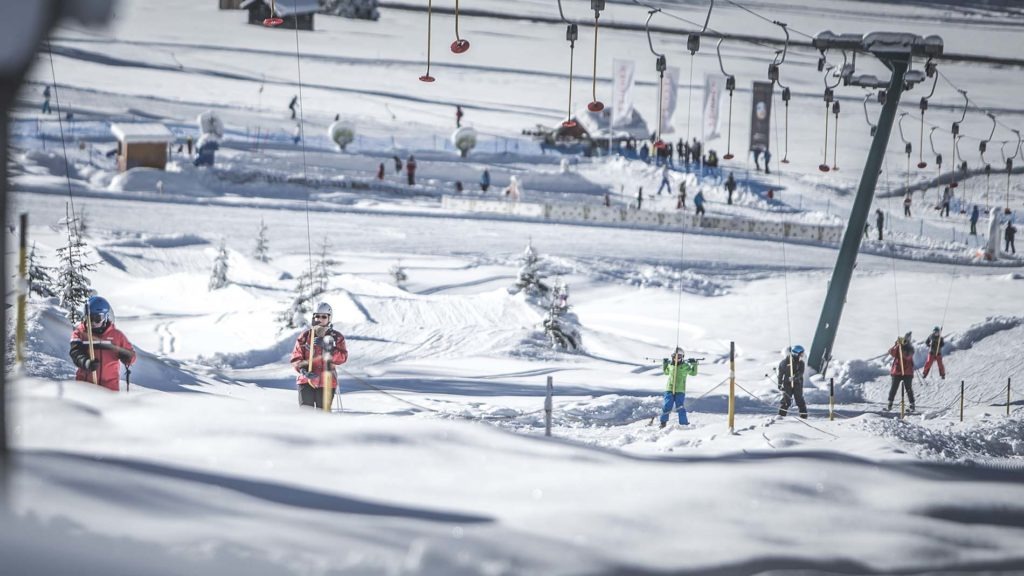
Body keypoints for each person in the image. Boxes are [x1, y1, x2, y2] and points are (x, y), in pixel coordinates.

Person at [68, 296, 136, 392]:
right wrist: (86, 362)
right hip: (85, 387)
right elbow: (75, 352)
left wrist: (127, 356)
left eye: (97, 318)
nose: (93, 323)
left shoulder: (116, 336)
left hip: (109, 389)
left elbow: (132, 357)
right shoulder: (80, 333)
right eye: (90, 318)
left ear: (105, 317)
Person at [290, 302, 348, 409]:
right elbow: (296, 357)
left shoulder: (337, 337)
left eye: (323, 316)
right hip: (306, 381)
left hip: (327, 382)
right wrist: (302, 369)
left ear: (329, 318)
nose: (320, 319)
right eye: (317, 316)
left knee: (322, 415)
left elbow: (342, 358)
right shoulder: (305, 336)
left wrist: (329, 348)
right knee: (306, 412)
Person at [659, 347, 698, 428]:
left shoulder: (685, 366)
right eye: (675, 356)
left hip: (680, 390)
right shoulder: (670, 365)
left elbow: (693, 373)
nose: (677, 359)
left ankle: (684, 423)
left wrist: (694, 364)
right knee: (667, 406)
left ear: (682, 357)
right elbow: (666, 372)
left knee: (680, 407)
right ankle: (663, 422)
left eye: (679, 357)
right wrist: (665, 363)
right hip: (669, 389)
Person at [887, 332, 916, 412]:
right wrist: (897, 345)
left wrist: (903, 348)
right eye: (905, 338)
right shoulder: (898, 346)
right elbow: (891, 352)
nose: (906, 340)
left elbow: (907, 357)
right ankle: (890, 404)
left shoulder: (910, 348)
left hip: (907, 372)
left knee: (908, 388)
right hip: (897, 371)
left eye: (908, 339)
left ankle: (912, 405)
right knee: (894, 388)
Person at [777, 345, 807, 418]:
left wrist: (795, 377)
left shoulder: (801, 363)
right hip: (787, 384)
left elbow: (801, 372)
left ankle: (804, 416)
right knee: (786, 400)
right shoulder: (785, 362)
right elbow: (780, 373)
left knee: (799, 399)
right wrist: (780, 383)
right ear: (796, 353)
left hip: (797, 384)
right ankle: (781, 416)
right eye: (801, 353)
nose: (802, 355)